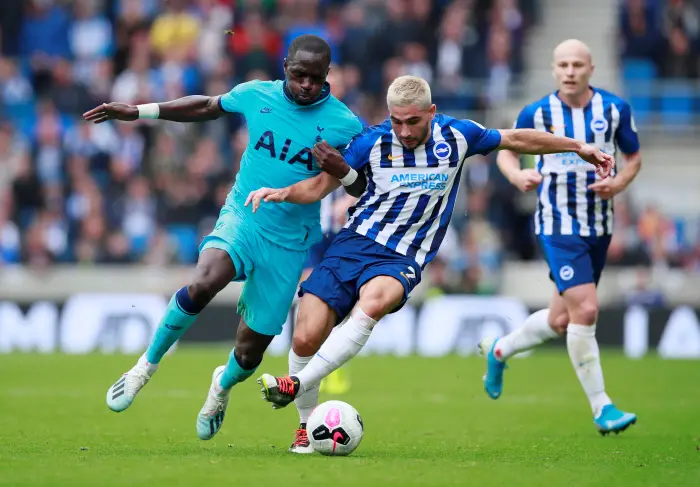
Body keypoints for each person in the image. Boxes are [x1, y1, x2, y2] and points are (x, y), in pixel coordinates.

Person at [244, 75, 613, 446]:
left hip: (404, 255)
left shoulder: (458, 136)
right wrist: (283, 192)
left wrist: (578, 146)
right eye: (396, 121)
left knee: (372, 304)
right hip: (353, 244)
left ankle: (296, 384)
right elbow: (321, 186)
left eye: (413, 121)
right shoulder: (371, 141)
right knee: (306, 338)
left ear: (431, 112)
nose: (403, 131)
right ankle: (305, 427)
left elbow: (516, 138)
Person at [82, 34, 365, 440]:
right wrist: (140, 111)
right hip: (244, 218)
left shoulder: (345, 124)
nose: (306, 85)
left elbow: (359, 187)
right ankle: (143, 367)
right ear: (285, 66)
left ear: (328, 76)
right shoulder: (256, 94)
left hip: (290, 243)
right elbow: (207, 106)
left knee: (250, 354)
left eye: (315, 78)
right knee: (205, 280)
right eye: (299, 75)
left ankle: (222, 386)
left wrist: (343, 168)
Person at [479, 39, 641, 435]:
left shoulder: (615, 110)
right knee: (585, 311)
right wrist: (518, 175)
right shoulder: (537, 112)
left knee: (560, 319)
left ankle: (500, 351)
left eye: (577, 65)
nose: (570, 71)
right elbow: (506, 150)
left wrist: (617, 184)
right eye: (563, 64)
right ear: (554, 70)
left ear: (591, 69)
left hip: (599, 226)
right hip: (556, 225)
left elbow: (634, 157)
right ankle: (602, 407)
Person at [286, 187, 356, 454]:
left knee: (337, 306)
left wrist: (349, 200)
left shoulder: (356, 148)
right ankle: (315, 362)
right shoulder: (314, 149)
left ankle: (332, 367)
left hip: (343, 232)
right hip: (314, 231)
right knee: (309, 297)